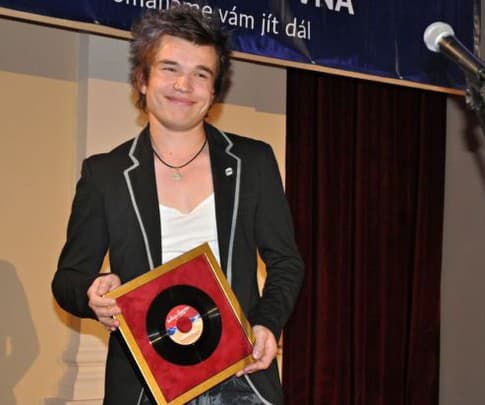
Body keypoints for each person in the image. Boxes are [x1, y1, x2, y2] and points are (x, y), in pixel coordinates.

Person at [52, 6, 304, 405]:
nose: (184, 85)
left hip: (241, 380)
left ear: (215, 90)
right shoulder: (105, 174)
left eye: (201, 74)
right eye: (170, 69)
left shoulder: (253, 162)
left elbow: (287, 262)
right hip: (145, 386)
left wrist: (266, 324)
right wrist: (92, 293)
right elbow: (67, 279)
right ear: (142, 79)